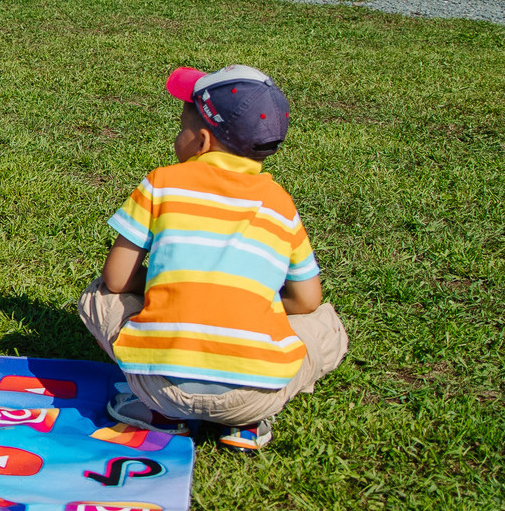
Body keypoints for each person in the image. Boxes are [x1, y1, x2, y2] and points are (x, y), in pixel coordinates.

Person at [79, 64, 349, 453]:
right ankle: (247, 424)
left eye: (181, 128)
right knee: (326, 325)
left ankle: (155, 412)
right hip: (256, 394)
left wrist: (163, 281)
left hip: (161, 388)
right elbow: (307, 300)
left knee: (97, 296)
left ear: (202, 141)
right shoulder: (281, 205)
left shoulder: (162, 183)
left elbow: (117, 280)